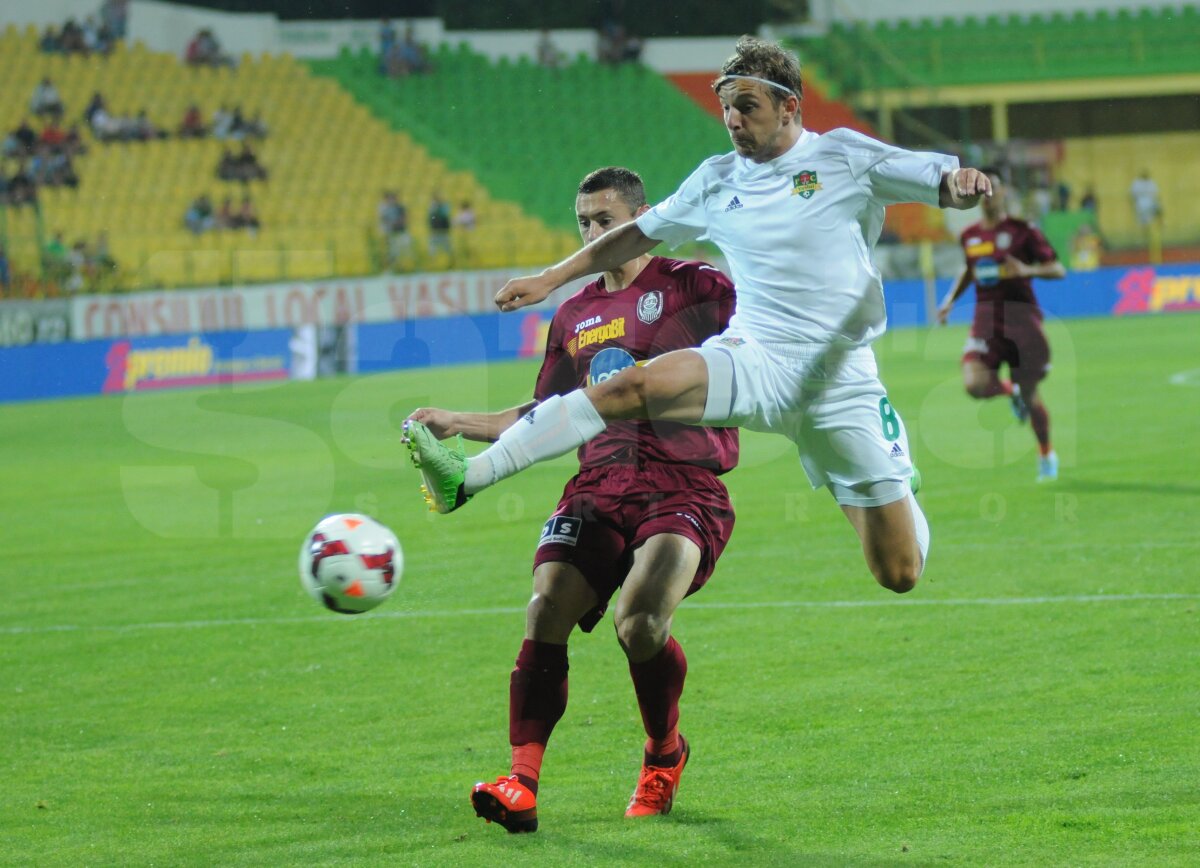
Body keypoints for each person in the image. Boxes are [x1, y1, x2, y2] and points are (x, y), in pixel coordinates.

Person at [405, 36, 994, 597]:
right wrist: (551, 278)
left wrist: (962, 183)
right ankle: (469, 477)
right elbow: (633, 236)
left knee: (899, 572)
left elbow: (943, 183)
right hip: (755, 356)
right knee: (627, 385)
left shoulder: (842, 155)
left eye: (747, 107)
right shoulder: (716, 181)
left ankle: (897, 481)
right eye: (725, 109)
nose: (733, 120)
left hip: (839, 383)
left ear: (789, 105)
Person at [404, 167, 738, 832]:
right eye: (583, 222)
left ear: (643, 218)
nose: (591, 233)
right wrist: (460, 422)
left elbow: (764, 351)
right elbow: (547, 411)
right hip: (598, 484)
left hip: (684, 481)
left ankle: (663, 754)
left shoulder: (698, 287)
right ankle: (520, 781)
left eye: (604, 222)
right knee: (546, 604)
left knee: (640, 623)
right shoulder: (575, 314)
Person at [937, 167, 1066, 482]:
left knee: (1033, 397)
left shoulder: (1023, 231)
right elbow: (970, 269)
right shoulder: (970, 236)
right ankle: (1012, 393)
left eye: (993, 188)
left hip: (1023, 322)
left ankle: (1046, 452)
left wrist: (1024, 270)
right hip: (986, 321)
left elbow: (1057, 268)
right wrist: (951, 299)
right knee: (974, 384)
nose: (988, 195)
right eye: (983, 189)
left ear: (1004, 192)